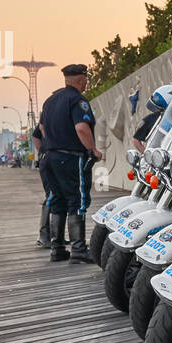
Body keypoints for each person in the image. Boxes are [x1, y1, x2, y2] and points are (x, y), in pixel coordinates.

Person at [38, 63, 102, 262]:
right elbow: (82, 128)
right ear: (82, 79)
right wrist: (92, 150)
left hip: (49, 157)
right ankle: (79, 249)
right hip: (70, 157)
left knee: (57, 201)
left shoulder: (50, 100)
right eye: (86, 79)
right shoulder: (77, 100)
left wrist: (54, 143)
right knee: (77, 200)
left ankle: (57, 249)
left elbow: (41, 127)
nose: (86, 83)